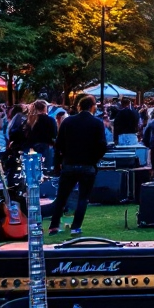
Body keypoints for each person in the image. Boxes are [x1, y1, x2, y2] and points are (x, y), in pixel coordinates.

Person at [47, 96, 109, 236]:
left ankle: (54, 226)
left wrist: (58, 164)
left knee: (62, 196)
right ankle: (76, 226)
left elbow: (59, 145)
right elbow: (102, 145)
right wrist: (94, 159)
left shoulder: (68, 122)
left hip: (69, 163)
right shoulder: (97, 123)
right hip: (88, 165)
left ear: (79, 106)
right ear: (92, 106)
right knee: (83, 197)